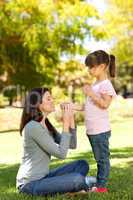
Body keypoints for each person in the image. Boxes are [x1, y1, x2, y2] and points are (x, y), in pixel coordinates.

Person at [16, 87, 96, 196]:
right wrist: (65, 122)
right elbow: (61, 154)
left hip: (44, 178)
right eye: (48, 99)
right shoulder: (33, 127)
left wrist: (71, 118)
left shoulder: (46, 124)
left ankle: (72, 189)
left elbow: (72, 144)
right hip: (29, 184)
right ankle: (76, 189)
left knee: (82, 165)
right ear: (38, 104)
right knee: (78, 179)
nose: (53, 100)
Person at [74, 50, 117, 193]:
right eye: (88, 66)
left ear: (103, 66)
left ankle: (101, 188)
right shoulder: (95, 84)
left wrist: (91, 94)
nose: (89, 70)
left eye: (92, 66)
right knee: (99, 158)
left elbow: (105, 104)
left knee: (102, 160)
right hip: (92, 130)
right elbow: (88, 106)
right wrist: (72, 106)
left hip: (100, 130)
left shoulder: (106, 84)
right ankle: (99, 184)